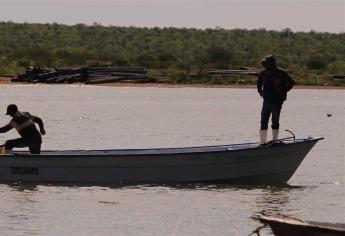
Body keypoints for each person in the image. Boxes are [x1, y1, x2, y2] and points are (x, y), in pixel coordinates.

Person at [257, 55, 294, 144]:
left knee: (275, 121)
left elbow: (291, 83)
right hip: (266, 101)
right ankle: (263, 142)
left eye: (266, 63)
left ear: (271, 64)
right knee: (263, 121)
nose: (264, 65)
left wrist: (283, 91)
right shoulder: (263, 73)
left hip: (277, 102)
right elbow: (258, 84)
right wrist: (261, 92)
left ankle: (275, 140)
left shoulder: (281, 73)